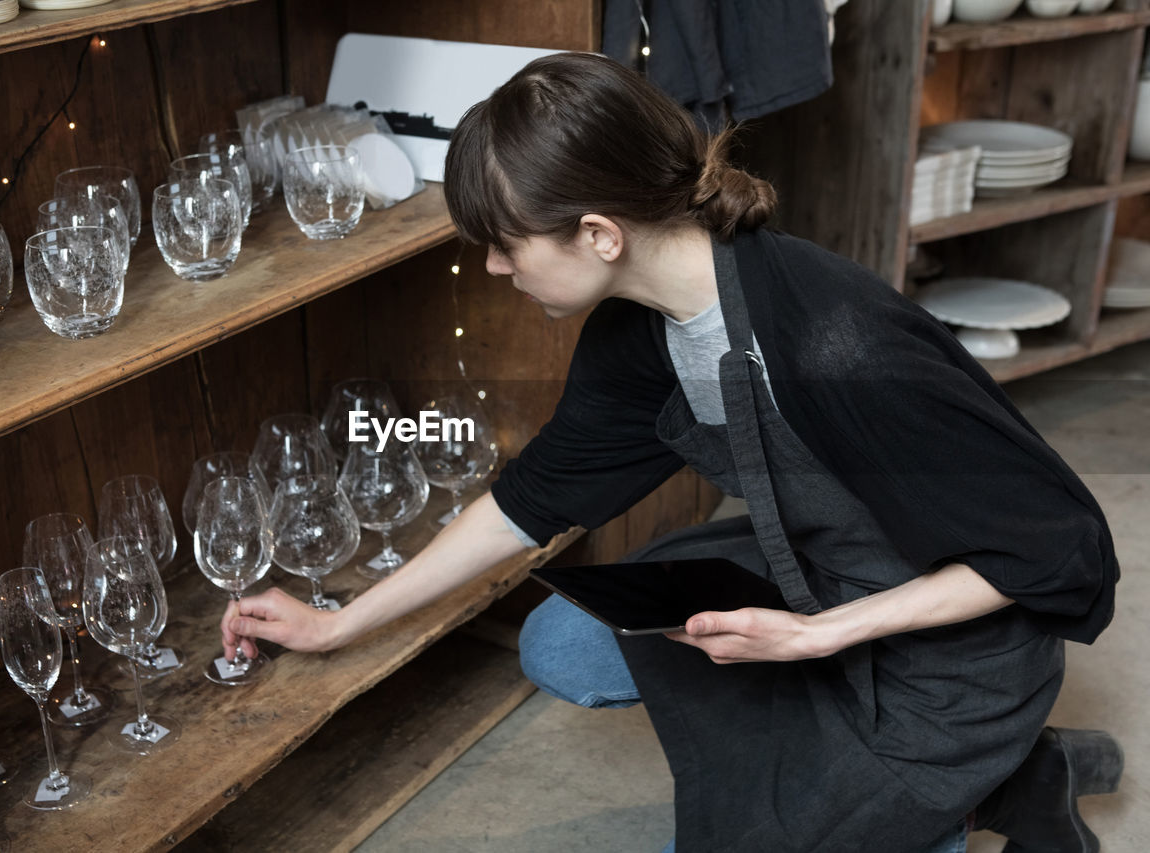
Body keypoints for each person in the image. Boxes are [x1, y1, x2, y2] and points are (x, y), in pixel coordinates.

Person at [221, 52, 1123, 852]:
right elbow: (530, 499)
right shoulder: (640, 331)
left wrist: (819, 635)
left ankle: (979, 785)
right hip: (804, 564)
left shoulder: (834, 341)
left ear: (599, 235)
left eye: (505, 247)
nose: (496, 271)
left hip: (951, 652)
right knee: (566, 646)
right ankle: (966, 780)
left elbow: (1057, 548)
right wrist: (338, 623)